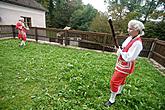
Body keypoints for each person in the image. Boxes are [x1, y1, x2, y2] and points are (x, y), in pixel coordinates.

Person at [105, 19, 145, 106]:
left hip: (126, 65)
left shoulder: (138, 43)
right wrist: (119, 49)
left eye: (130, 29)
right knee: (121, 79)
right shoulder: (130, 37)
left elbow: (130, 57)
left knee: (114, 81)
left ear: (137, 31)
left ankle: (112, 100)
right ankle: (119, 91)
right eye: (128, 28)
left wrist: (120, 52)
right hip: (121, 63)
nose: (128, 30)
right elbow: (123, 47)